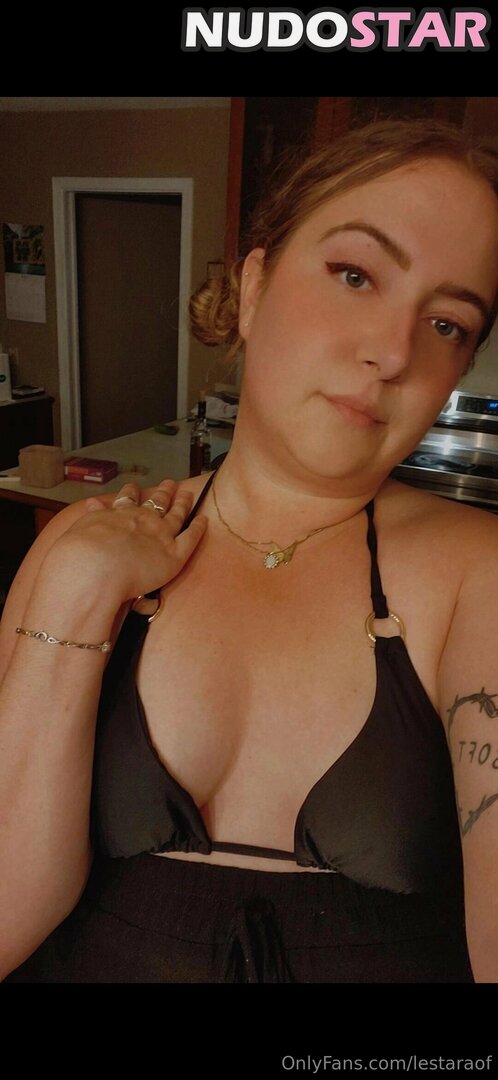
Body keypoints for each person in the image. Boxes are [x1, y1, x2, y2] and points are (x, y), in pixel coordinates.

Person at [2, 117, 498, 984]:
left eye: (447, 323)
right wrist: (75, 592)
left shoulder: (477, 574)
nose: (392, 352)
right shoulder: (83, 548)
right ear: (256, 282)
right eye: (355, 275)